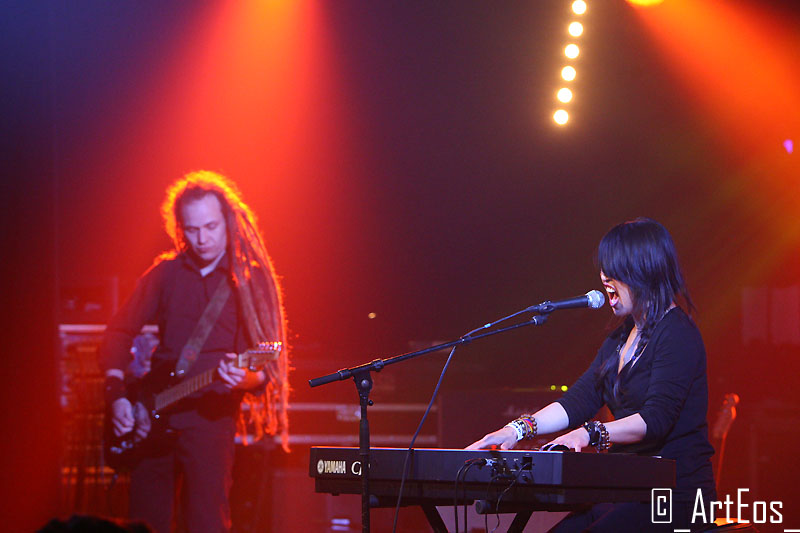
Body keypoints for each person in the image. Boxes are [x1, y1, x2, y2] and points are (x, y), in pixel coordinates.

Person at [468, 218, 715, 532]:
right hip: (628, 491)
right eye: (603, 270)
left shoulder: (677, 334)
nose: (604, 277)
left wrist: (589, 433)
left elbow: (656, 419)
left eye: (614, 270)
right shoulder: (620, 338)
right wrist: (516, 430)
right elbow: (579, 399)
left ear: (644, 270)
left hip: (676, 497)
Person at [100, 171, 288, 533]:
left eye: (211, 227)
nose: (202, 239)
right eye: (192, 229)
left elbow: (264, 369)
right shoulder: (165, 274)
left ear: (227, 221)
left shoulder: (248, 280)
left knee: (206, 522)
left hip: (210, 421)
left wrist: (245, 377)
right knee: (143, 523)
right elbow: (118, 331)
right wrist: (117, 394)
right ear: (180, 228)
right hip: (150, 415)